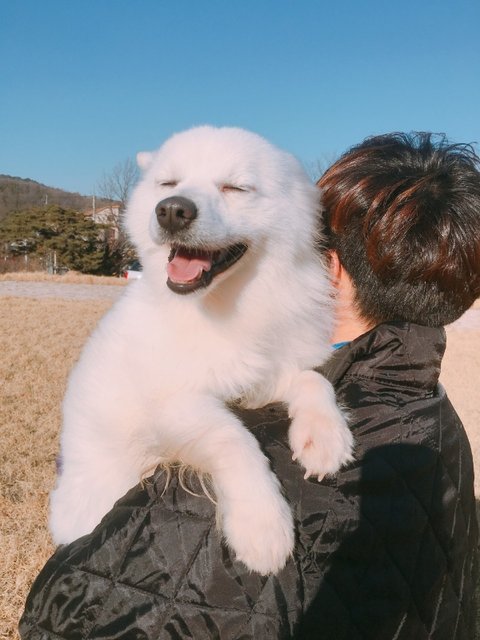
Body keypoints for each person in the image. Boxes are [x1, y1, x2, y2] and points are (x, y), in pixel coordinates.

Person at [20, 132, 479, 639]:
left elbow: (71, 614)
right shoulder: (428, 408)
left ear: (331, 263)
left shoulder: (195, 508)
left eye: (235, 188)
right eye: (169, 184)